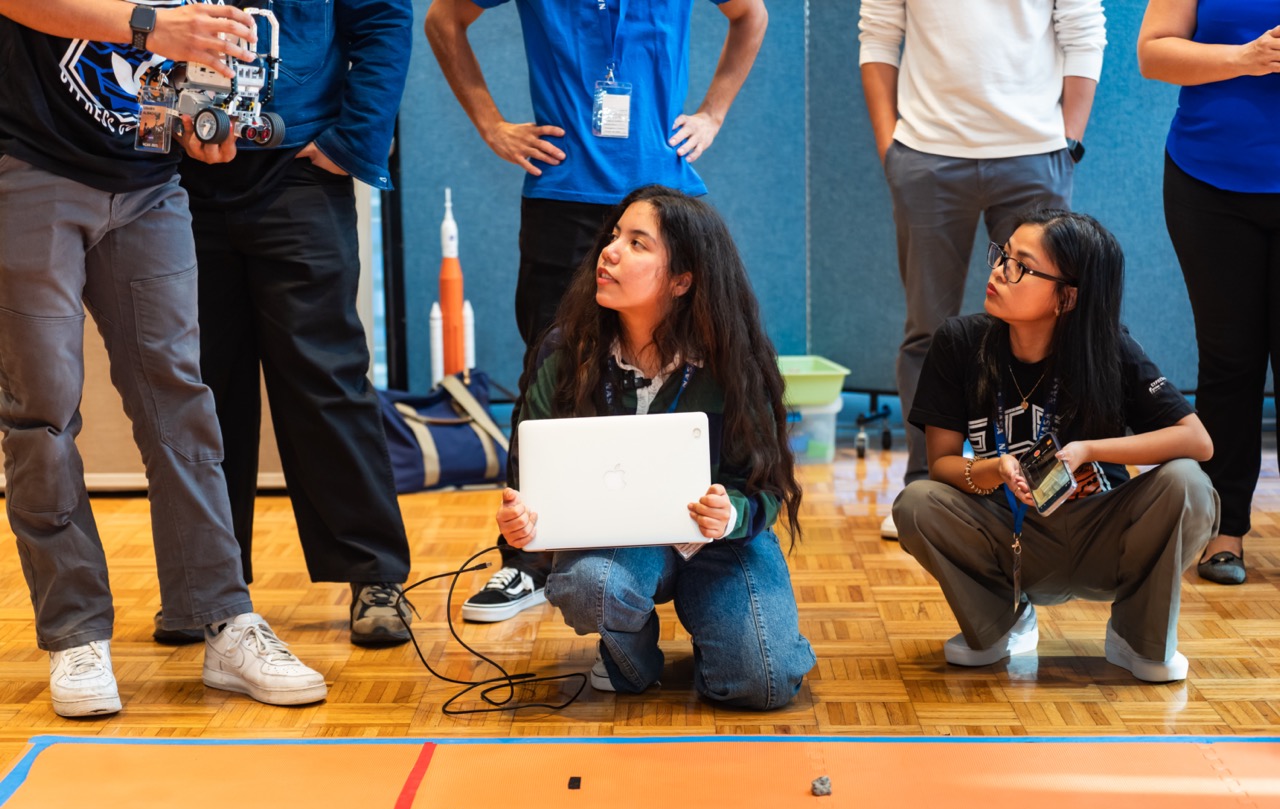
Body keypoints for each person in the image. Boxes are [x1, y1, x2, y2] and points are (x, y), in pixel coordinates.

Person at [0, 0, 327, 716]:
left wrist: (197, 109)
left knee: (181, 400)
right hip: (30, 164)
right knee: (43, 412)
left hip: (148, 181)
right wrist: (152, 27)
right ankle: (76, 634)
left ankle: (223, 616)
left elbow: (183, 50)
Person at [425, 0, 768, 622]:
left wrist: (714, 112)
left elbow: (752, 15)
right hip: (563, 198)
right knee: (547, 375)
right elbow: (442, 20)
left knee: (697, 366)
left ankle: (688, 530)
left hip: (665, 198)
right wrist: (491, 125)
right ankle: (525, 561)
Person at [495, 185, 815, 709]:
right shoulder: (566, 349)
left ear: (682, 279)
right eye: (614, 235)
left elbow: (768, 487)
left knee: (764, 683)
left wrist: (728, 514)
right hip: (617, 542)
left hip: (718, 543)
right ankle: (631, 655)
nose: (610, 251)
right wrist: (523, 523)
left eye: (638, 243)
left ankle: (726, 637)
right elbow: (528, 479)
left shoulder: (734, 358)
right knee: (589, 585)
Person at [174, 0, 416, 645]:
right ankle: (209, 585)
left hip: (298, 167)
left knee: (325, 375)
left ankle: (375, 573)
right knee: (201, 388)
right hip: (176, 171)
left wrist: (353, 141)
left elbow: (384, 22)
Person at [892, 210, 1218, 683]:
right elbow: (941, 464)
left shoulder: (1108, 348)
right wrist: (993, 468)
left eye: (1020, 266)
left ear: (1066, 297)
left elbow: (1197, 440)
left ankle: (1137, 635)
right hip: (1009, 531)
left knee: (1188, 482)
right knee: (916, 503)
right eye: (1002, 255)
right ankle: (1001, 621)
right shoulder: (960, 343)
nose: (999, 271)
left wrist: (1089, 450)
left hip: (1102, 532)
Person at [858, 0, 1107, 540]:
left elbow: (1085, 30)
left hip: (1034, 153)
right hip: (926, 152)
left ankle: (1041, 485)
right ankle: (925, 481)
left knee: (1042, 325)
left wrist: (1066, 144)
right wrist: (891, 149)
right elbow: (878, 35)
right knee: (928, 330)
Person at [1137, 1, 1280, 586]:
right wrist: (1246, 58)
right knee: (1229, 359)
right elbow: (1153, 52)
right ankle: (1225, 530)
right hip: (1208, 182)